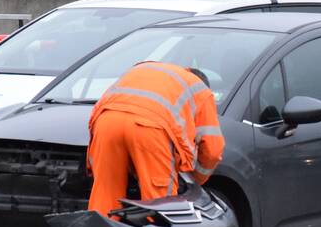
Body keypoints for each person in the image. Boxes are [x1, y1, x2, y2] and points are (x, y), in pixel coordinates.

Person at [86, 61, 225, 217]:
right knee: (160, 202)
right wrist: (195, 180)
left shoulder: (152, 71)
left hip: (106, 121)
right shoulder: (201, 91)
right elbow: (213, 150)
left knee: (105, 192)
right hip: (150, 129)